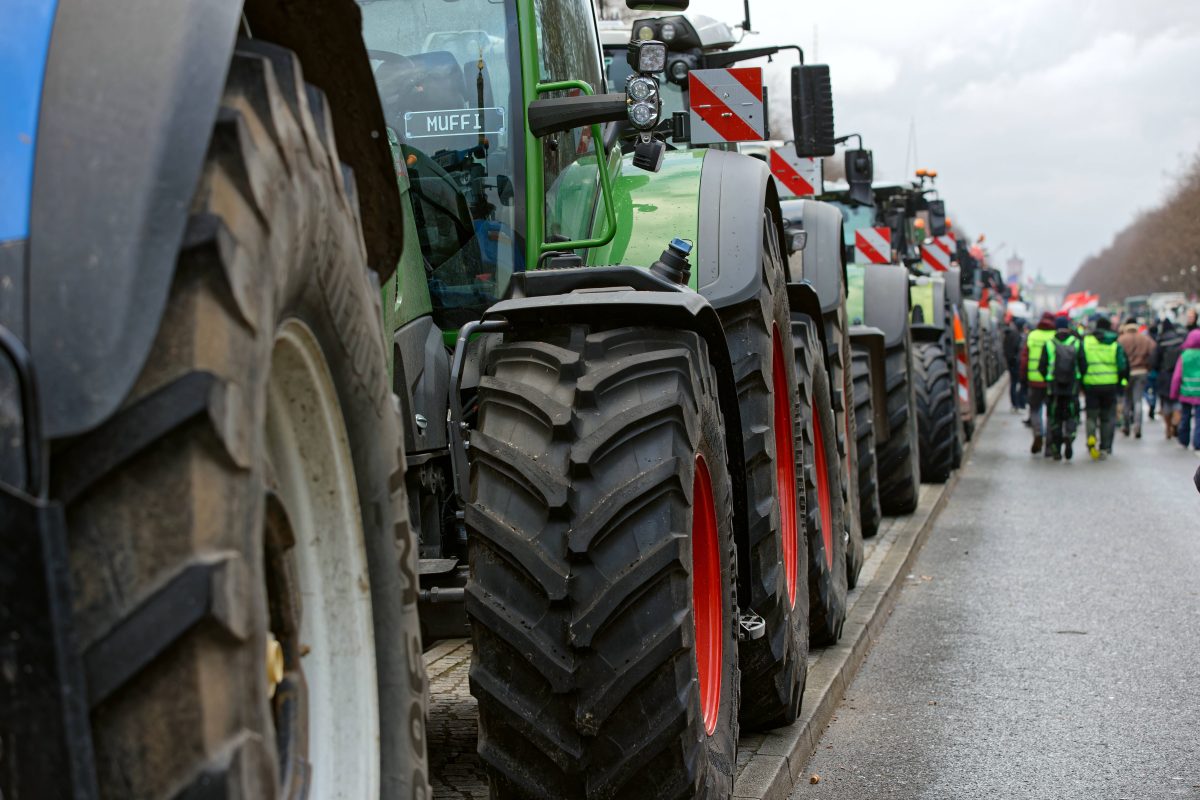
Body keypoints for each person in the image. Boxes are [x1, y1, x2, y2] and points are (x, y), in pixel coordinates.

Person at [1078, 317, 1129, 460]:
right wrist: (1120, 383)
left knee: (1091, 415)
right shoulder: (1114, 343)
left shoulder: (1086, 341)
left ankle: (1091, 438)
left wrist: (1082, 382)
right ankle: (1105, 447)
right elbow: (1122, 366)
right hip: (1109, 385)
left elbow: (1081, 362)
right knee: (1107, 417)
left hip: (1091, 384)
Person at [1037, 315, 1082, 460]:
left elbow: (1041, 366)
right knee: (1072, 415)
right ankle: (1069, 436)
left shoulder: (1049, 343)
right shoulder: (1076, 343)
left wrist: (1047, 378)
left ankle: (1056, 449)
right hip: (1072, 387)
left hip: (1054, 388)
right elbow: (1083, 365)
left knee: (1054, 418)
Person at [1020, 311, 1057, 455]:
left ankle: (1037, 433)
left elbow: (1024, 359)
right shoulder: (1055, 336)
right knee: (1050, 414)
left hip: (1034, 380)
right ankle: (1049, 444)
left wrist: (1023, 377)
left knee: (1035, 410)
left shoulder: (1032, 336)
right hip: (1051, 381)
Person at [1117, 318, 1156, 438]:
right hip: (1141, 371)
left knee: (1126, 400)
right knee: (1138, 400)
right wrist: (1148, 366)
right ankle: (1138, 426)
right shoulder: (1145, 339)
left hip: (1126, 373)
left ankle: (1126, 425)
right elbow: (1154, 352)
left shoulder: (1121, 339)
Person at [1154, 318, 1185, 439]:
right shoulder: (1180, 341)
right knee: (1177, 400)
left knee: (1166, 402)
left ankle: (1168, 426)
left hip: (1164, 375)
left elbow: (1155, 360)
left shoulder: (1160, 342)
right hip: (1178, 373)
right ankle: (1176, 420)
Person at [1169, 328, 1200, 450]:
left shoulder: (1185, 356)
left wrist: (1174, 392)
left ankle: (1184, 439)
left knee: (1185, 416)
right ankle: (1198, 442)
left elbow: (1177, 376)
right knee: (1199, 419)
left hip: (1186, 391)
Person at [1002, 313, 1026, 412]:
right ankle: (1017, 403)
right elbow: (1017, 349)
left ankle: (1015, 403)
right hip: (1015, 363)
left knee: (1014, 383)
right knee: (1016, 383)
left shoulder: (1010, 334)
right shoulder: (1016, 335)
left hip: (1012, 362)